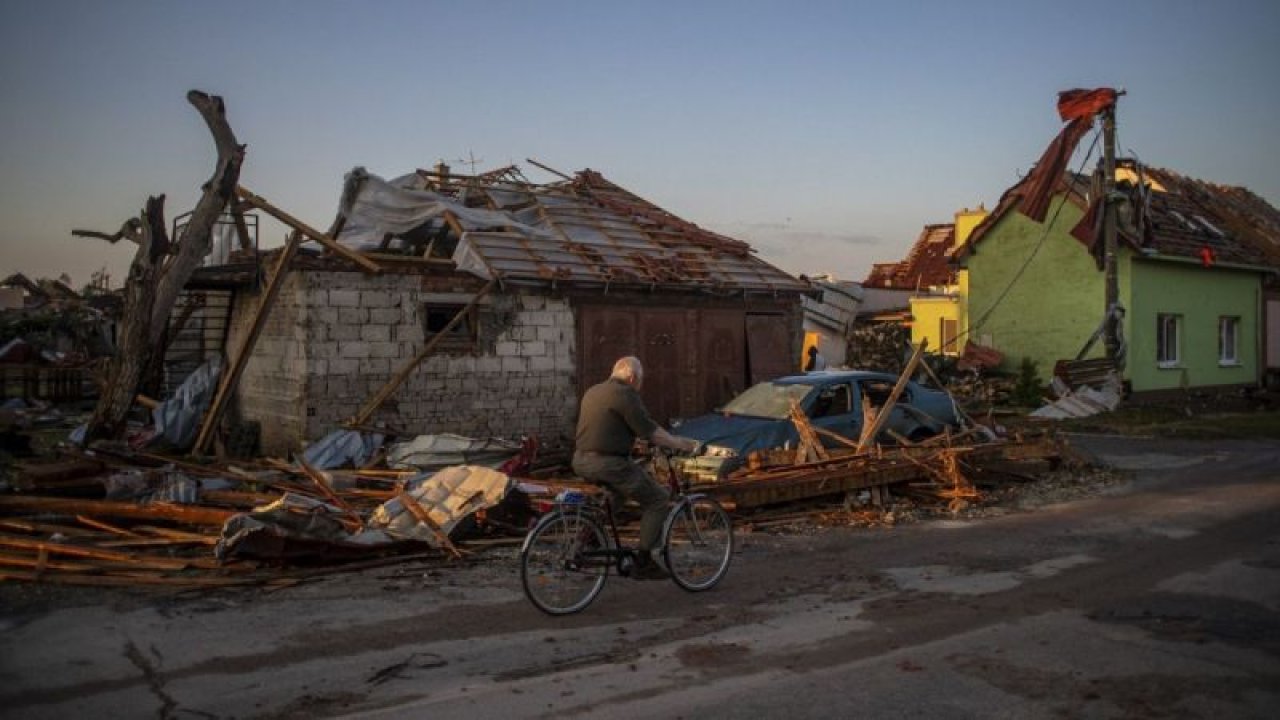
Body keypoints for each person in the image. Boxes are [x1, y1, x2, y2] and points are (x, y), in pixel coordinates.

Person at [573, 356, 701, 580]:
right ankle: (644, 562)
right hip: (609, 464)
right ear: (632, 377)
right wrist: (680, 444)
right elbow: (650, 431)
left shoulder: (593, 391)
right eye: (641, 381)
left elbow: (609, 425)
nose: (640, 386)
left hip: (581, 461)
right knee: (658, 499)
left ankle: (589, 537)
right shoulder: (626, 394)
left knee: (619, 494)